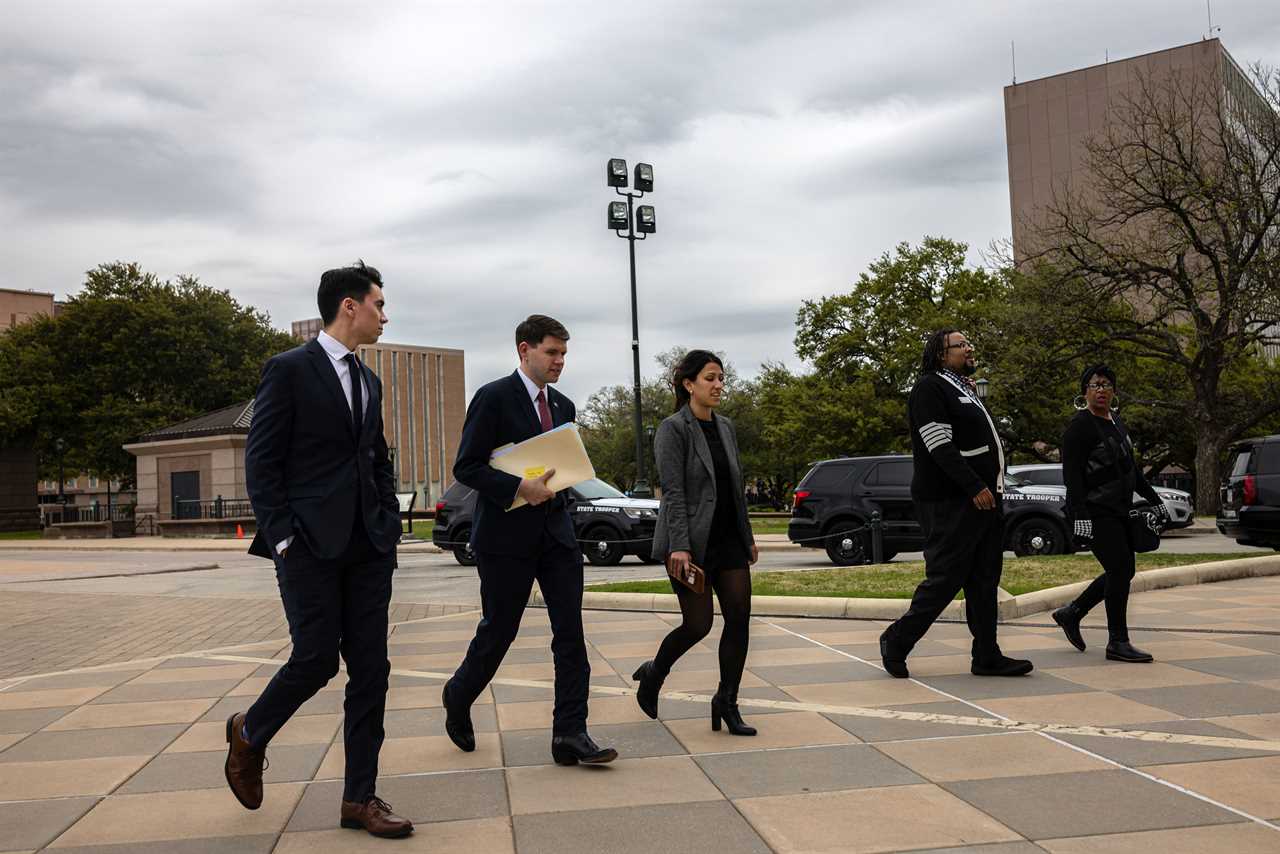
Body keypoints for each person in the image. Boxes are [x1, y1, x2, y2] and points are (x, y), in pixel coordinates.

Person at [229, 261, 412, 839]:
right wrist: (283, 537)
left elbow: (374, 456)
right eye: (379, 304)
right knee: (314, 659)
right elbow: (261, 461)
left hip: (368, 546)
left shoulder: (370, 380)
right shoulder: (288, 370)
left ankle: (359, 799)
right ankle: (249, 734)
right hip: (307, 544)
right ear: (350, 306)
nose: (385, 314)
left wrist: (389, 524)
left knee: (372, 672)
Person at [442, 315, 617, 766]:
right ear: (525, 350)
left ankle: (570, 734)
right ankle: (458, 695)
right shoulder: (493, 398)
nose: (560, 361)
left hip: (557, 535)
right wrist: (520, 487)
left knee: (571, 635)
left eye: (563, 354)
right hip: (505, 536)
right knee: (499, 631)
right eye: (551, 352)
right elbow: (467, 467)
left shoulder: (564, 406)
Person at [879, 329, 1033, 679]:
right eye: (961, 345)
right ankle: (897, 640)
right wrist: (973, 485)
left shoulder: (965, 388)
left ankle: (987, 655)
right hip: (951, 501)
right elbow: (938, 444)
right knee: (946, 578)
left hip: (985, 501)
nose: (969, 348)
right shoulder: (930, 387)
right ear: (940, 354)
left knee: (984, 579)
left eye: (969, 343)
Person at [634, 350, 759, 735]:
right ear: (689, 384)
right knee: (698, 624)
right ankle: (655, 673)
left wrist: (748, 537)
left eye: (721, 378)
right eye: (710, 378)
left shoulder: (726, 427)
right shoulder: (674, 429)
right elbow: (673, 493)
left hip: (729, 540)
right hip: (690, 543)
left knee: (739, 620)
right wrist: (680, 547)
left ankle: (727, 700)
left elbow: (735, 489)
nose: (719, 385)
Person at [1052, 364, 1168, 663]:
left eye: (1105, 384)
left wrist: (1154, 499)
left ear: (1114, 391)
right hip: (1095, 511)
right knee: (1120, 570)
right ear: (1084, 392)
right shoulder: (1080, 427)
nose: (1100, 389)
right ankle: (1117, 641)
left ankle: (1072, 612)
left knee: (1123, 570)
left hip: (1120, 509)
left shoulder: (1116, 422)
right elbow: (1072, 477)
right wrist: (1079, 516)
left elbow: (1132, 470)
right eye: (1094, 385)